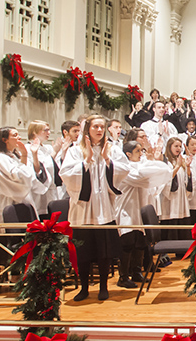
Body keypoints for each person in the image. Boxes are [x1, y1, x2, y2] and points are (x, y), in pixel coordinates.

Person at [59, 116, 121, 301]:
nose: (100, 130)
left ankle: (103, 286)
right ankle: (84, 288)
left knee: (104, 251)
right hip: (83, 209)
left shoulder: (111, 149)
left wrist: (107, 161)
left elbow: (124, 170)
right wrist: (86, 161)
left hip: (103, 208)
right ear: (88, 129)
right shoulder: (75, 151)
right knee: (83, 251)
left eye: (102, 127)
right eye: (96, 126)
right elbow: (66, 174)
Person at [113, 139, 173, 289]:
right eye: (137, 151)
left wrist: (151, 159)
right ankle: (123, 276)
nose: (141, 154)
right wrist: (151, 162)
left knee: (140, 242)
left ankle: (137, 272)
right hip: (126, 210)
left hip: (139, 209)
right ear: (127, 154)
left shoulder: (140, 166)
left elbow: (161, 171)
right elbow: (142, 177)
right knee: (127, 243)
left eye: (142, 150)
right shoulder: (124, 169)